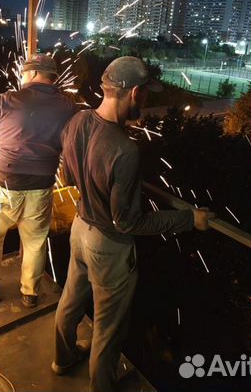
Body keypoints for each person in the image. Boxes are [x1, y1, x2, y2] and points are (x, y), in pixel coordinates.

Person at [52, 56, 215, 392]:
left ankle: (62, 358)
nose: (147, 100)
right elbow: (127, 221)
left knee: (70, 300)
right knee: (108, 328)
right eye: (145, 94)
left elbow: (67, 175)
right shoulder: (125, 150)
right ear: (134, 92)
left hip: (81, 229)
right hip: (108, 247)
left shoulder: (77, 120)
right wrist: (189, 218)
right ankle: (101, 387)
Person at [0, 54, 77, 308]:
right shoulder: (68, 106)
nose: (22, 76)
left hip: (5, 185)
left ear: (35, 73)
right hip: (41, 186)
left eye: (24, 72)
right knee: (36, 242)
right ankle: (30, 293)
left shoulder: (9, 100)